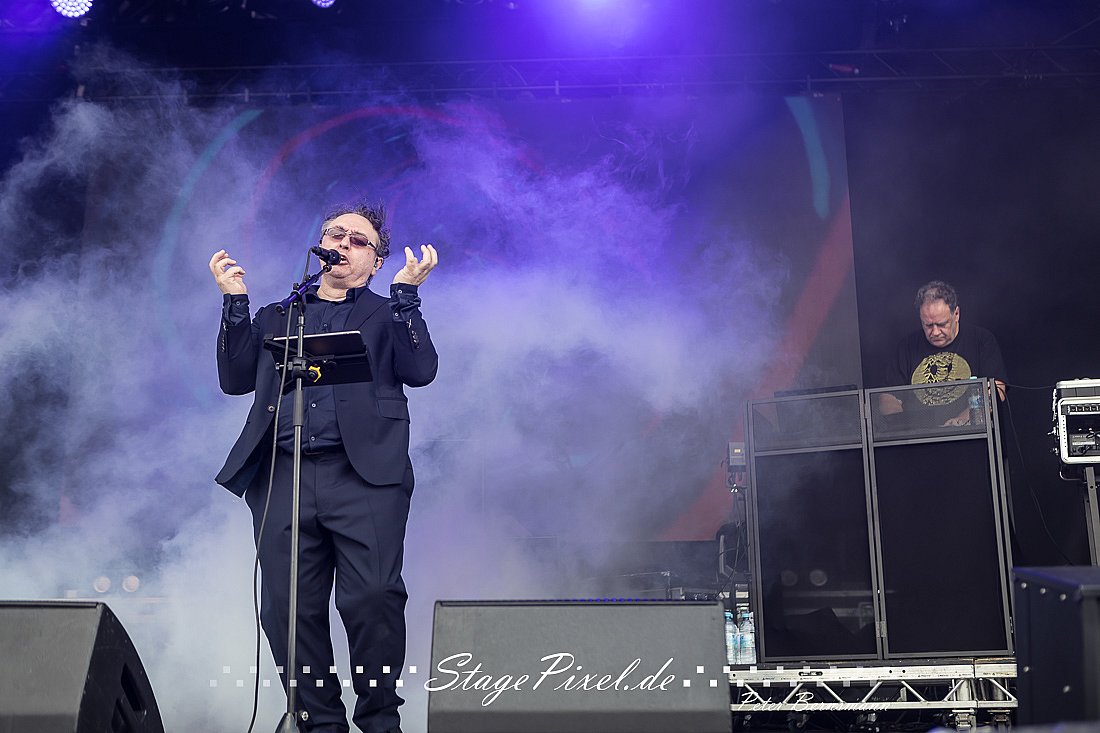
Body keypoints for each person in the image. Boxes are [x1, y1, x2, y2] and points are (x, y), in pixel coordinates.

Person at [208, 201, 438, 733]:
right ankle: (320, 722)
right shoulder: (280, 314)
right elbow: (235, 379)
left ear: (375, 262)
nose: (343, 244)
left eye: (358, 241)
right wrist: (235, 302)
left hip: (364, 477)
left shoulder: (385, 312)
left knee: (373, 597)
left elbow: (421, 369)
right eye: (336, 234)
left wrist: (406, 296)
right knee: (287, 607)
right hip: (284, 474)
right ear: (320, 245)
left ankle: (380, 719)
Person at [880, 280, 1006, 426]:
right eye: (928, 325)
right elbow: (887, 397)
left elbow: (997, 390)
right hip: (919, 435)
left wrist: (962, 420)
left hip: (970, 434)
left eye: (941, 324)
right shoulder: (906, 347)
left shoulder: (981, 340)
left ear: (956, 314)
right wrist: (903, 427)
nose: (935, 332)